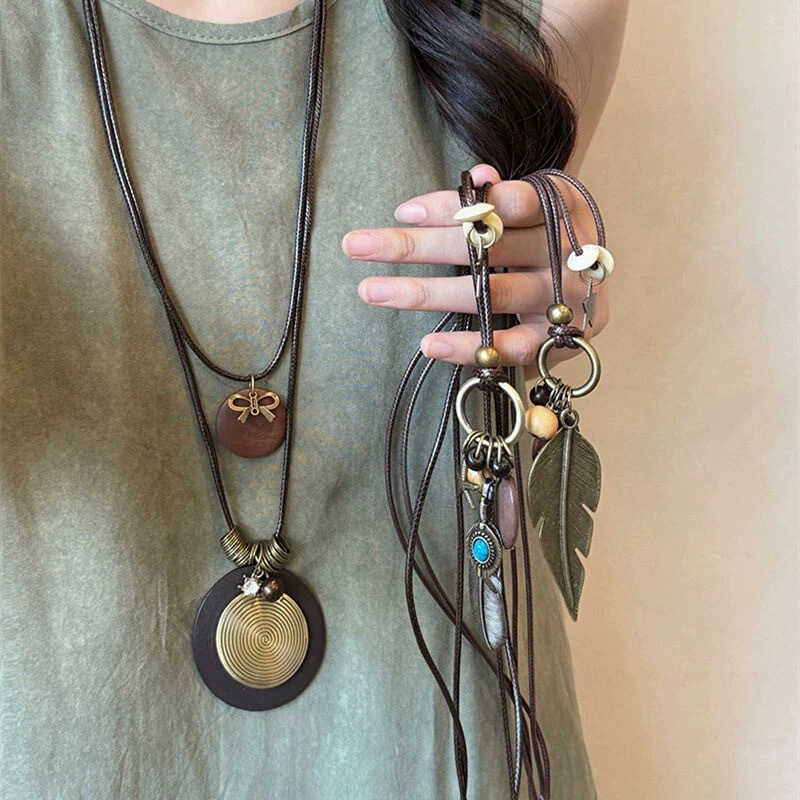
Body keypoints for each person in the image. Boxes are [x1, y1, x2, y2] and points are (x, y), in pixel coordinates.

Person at [0, 0, 626, 797]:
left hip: (429, 742)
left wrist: (566, 280)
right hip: (64, 751)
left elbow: (533, 288)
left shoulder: (543, 11)